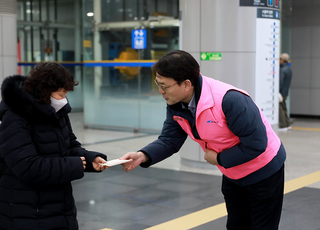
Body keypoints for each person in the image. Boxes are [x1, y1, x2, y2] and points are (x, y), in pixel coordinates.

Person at [120, 50, 286, 230]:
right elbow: (170, 139)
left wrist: (218, 159)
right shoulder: (176, 103)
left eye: (164, 86)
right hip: (233, 172)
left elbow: (256, 145)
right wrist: (143, 155)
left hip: (264, 169)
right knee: (237, 225)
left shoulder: (229, 100)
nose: (160, 92)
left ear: (186, 84)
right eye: (157, 84)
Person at [0, 62, 109, 230]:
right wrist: (75, 165)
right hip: (28, 210)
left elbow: (70, 145)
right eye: (60, 94)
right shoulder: (15, 118)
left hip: (58, 204)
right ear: (44, 91)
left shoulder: (56, 113)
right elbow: (28, 166)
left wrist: (90, 159)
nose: (63, 100)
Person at [279, 53, 293, 130]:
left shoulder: (282, 70)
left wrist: (277, 92)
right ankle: (287, 124)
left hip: (281, 92)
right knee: (284, 108)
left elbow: (280, 82)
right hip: (285, 92)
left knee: (280, 108)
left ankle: (282, 125)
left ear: (282, 60)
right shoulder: (288, 69)